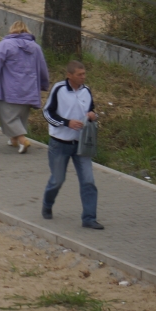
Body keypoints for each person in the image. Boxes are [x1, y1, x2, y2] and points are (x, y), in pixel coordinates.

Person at [41, 61, 102, 230]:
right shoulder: (59, 89)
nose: (83, 77)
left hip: (81, 144)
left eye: (84, 74)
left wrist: (92, 116)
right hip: (59, 144)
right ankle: (47, 203)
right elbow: (47, 112)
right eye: (79, 74)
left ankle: (89, 218)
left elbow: (91, 110)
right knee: (57, 180)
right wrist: (66, 123)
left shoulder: (86, 90)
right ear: (69, 75)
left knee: (88, 181)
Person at [0, 21, 50, 154]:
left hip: (9, 88)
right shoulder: (35, 47)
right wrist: (44, 84)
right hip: (29, 88)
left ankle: (22, 140)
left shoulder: (5, 45)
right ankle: (13, 140)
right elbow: (42, 67)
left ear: (12, 31)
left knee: (8, 117)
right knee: (21, 117)